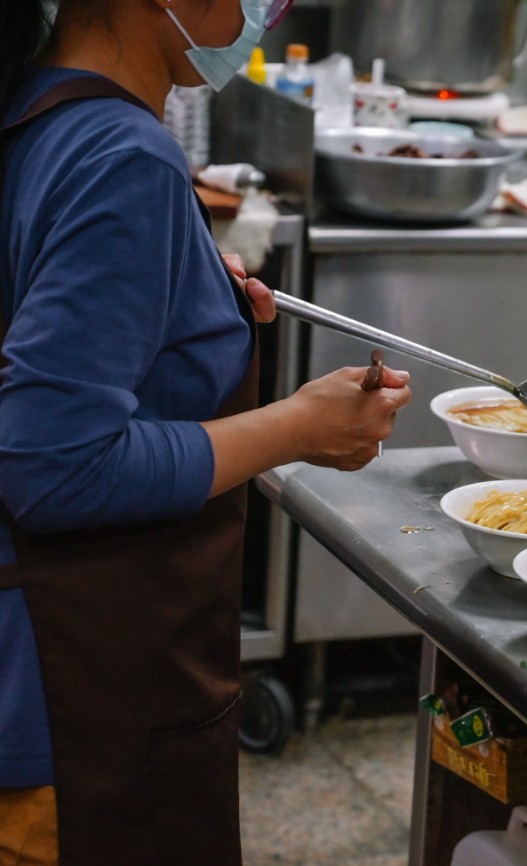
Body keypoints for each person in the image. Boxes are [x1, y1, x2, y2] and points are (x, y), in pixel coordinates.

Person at [0, 0, 413, 862]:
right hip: (75, 714)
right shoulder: (123, 155)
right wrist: (299, 427)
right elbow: (57, 466)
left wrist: (181, 283)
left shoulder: (42, 104)